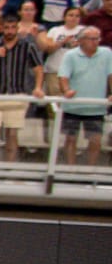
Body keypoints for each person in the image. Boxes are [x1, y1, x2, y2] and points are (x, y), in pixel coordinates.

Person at [0, 14, 44, 162]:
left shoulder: (28, 46)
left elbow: (38, 68)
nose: (10, 31)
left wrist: (38, 87)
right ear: (1, 28)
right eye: (6, 28)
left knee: (12, 134)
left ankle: (9, 167)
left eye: (13, 28)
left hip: (17, 93)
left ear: (18, 28)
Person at [51, 26, 108, 164]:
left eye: (97, 38)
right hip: (73, 107)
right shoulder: (70, 55)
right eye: (92, 39)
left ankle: (89, 171)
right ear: (81, 40)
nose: (95, 42)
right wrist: (66, 90)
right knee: (70, 139)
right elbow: (63, 76)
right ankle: (71, 169)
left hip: (96, 107)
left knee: (95, 140)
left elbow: (111, 75)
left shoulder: (107, 53)